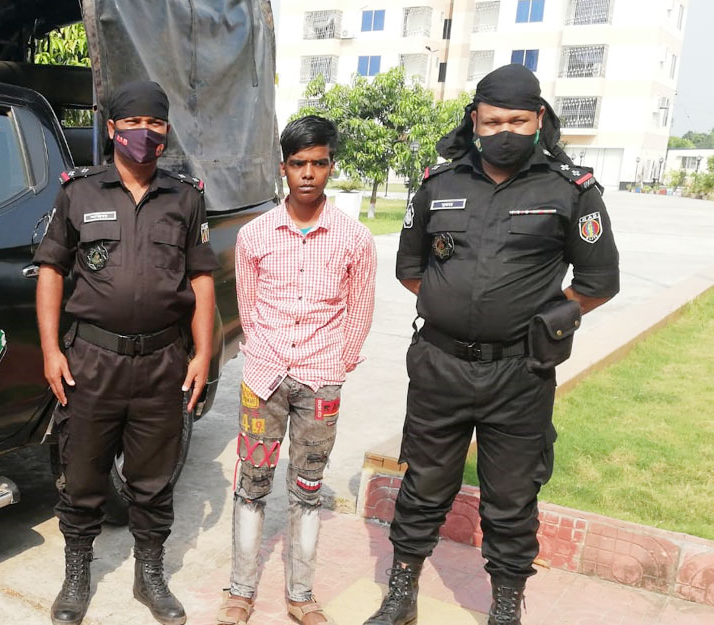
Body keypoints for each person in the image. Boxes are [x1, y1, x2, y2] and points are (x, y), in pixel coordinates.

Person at [365, 64, 620, 625]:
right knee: (424, 484)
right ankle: (401, 593)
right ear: (475, 121)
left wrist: (547, 320)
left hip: (520, 373)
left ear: (539, 120)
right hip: (439, 366)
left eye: (518, 121)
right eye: (494, 121)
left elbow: (599, 281)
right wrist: (453, 308)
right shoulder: (437, 184)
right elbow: (411, 268)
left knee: (511, 497)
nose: (505, 131)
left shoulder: (571, 190)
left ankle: (505, 605)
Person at [33, 80, 218, 625]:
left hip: (163, 363)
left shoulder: (186, 198)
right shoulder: (79, 192)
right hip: (92, 362)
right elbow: (50, 271)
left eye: (154, 123)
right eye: (133, 122)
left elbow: (201, 279)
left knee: (153, 480)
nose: (144, 132)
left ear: (166, 130)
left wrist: (203, 354)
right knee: (82, 475)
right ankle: (77, 573)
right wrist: (50, 350)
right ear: (112, 129)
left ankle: (150, 574)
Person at [217, 115, 377, 625]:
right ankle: (241, 590)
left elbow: (360, 309)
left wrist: (336, 364)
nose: (308, 173)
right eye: (298, 163)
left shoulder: (354, 238)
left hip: (320, 382)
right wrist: (265, 352)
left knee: (308, 488)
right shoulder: (255, 235)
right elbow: (248, 305)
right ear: (283, 167)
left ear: (331, 165)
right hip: (263, 380)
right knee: (251, 483)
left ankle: (301, 595)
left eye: (319, 163)